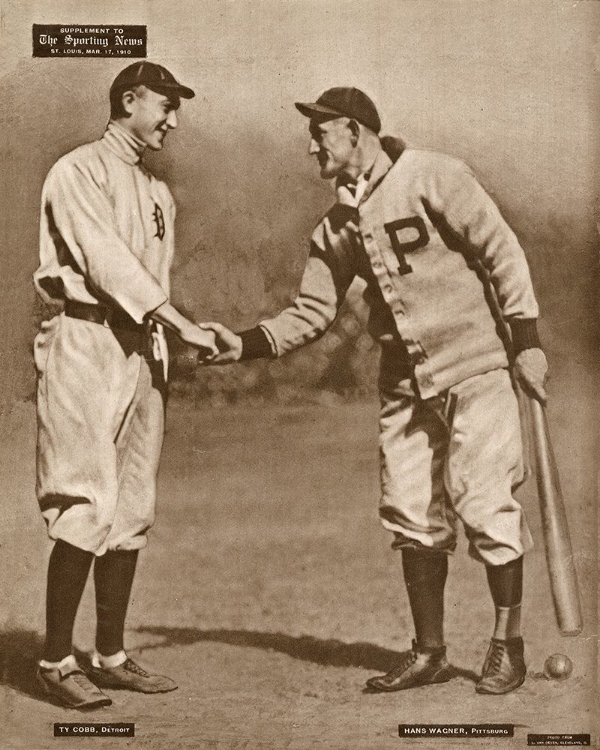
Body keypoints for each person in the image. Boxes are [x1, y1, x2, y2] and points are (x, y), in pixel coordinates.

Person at [200, 87, 548, 695]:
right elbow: (311, 311)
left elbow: (502, 251)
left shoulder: (434, 174)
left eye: (322, 133)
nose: (313, 146)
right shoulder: (335, 226)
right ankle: (429, 652)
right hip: (405, 384)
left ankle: (506, 645)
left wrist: (527, 340)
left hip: (476, 366)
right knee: (410, 512)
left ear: (356, 131)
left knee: (485, 501)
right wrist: (244, 343)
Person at [33, 61, 217, 709]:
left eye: (176, 107)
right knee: (86, 498)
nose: (173, 119)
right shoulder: (76, 169)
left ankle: (108, 653)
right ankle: (55, 659)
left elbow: (151, 283)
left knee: (132, 505)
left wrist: (177, 336)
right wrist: (178, 322)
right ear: (128, 99)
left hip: (142, 348)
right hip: (85, 341)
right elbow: (105, 263)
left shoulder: (158, 191)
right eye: (164, 104)